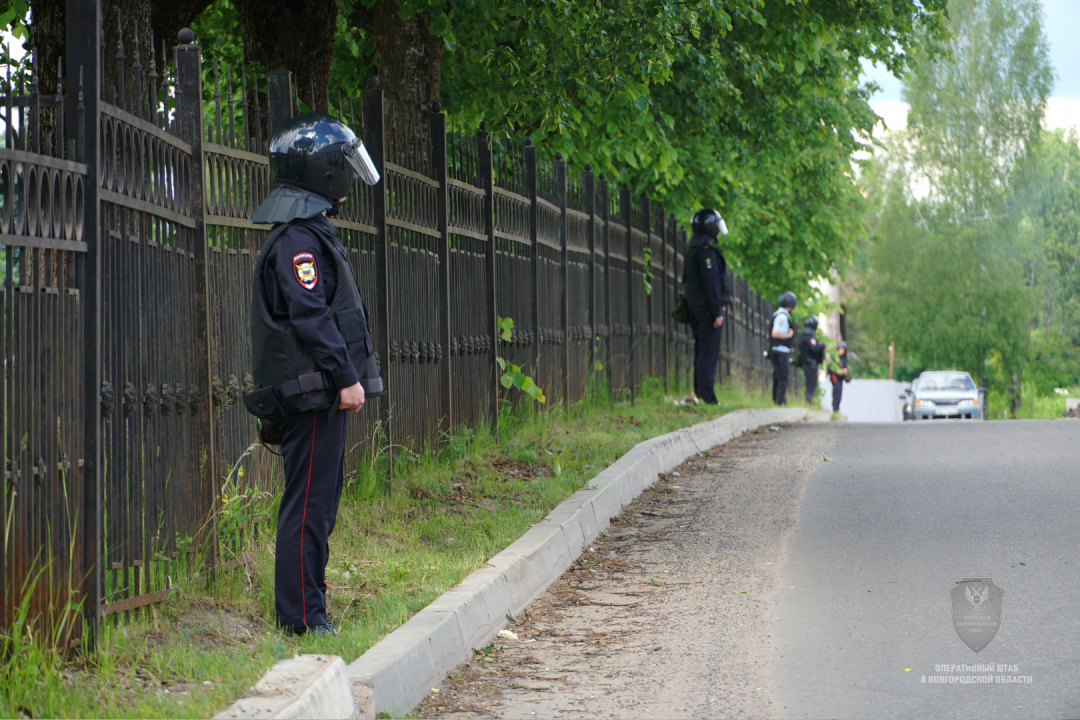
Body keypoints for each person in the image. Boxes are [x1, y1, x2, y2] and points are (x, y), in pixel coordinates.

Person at [244, 112, 382, 636]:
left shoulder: (308, 233)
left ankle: (310, 609)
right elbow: (311, 315)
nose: (348, 175)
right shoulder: (298, 240)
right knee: (307, 507)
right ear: (323, 173)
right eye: (341, 165)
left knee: (318, 505)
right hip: (312, 393)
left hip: (317, 392)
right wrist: (346, 376)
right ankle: (301, 619)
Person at [683, 208, 730, 404]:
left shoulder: (693, 251)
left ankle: (701, 394)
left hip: (696, 308)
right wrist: (717, 311)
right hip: (707, 312)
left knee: (702, 351)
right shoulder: (706, 254)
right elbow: (710, 285)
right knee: (708, 353)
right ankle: (707, 396)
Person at [770, 292, 796, 405]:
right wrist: (789, 335)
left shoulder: (777, 315)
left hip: (777, 350)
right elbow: (775, 333)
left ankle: (776, 399)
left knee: (778, 375)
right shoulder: (782, 317)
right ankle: (780, 401)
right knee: (783, 376)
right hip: (780, 350)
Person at [799, 316, 825, 404]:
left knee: (809, 382)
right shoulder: (809, 337)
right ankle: (809, 399)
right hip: (811, 363)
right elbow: (814, 348)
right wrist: (822, 346)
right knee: (811, 383)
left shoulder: (802, 336)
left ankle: (808, 398)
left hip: (806, 362)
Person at [826, 341, 851, 412]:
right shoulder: (833, 358)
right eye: (841, 349)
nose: (842, 351)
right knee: (836, 393)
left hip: (841, 378)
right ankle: (835, 408)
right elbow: (830, 368)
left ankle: (837, 408)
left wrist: (845, 372)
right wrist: (839, 371)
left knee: (839, 394)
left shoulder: (843, 359)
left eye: (843, 349)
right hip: (835, 378)